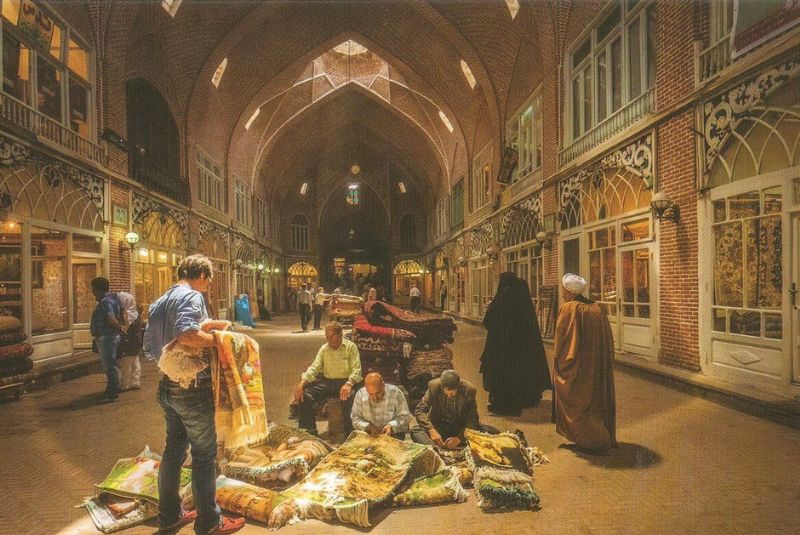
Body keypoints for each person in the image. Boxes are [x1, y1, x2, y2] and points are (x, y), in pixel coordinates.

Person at [143, 254, 244, 534]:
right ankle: (209, 522)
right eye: (209, 279)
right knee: (203, 454)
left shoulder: (160, 299)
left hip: (167, 384)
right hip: (193, 388)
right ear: (201, 275)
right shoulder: (192, 296)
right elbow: (187, 335)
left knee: (173, 451)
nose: (208, 286)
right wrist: (223, 340)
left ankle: (170, 515)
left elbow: (151, 346)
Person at [553, 273, 617, 453]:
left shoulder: (569, 308)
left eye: (564, 290)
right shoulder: (596, 308)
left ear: (569, 291)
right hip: (596, 365)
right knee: (595, 398)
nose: (563, 293)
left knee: (578, 396)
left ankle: (584, 439)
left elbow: (563, 342)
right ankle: (599, 437)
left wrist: (560, 363)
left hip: (579, 366)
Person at [480, 272, 551, 416]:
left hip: (500, 348)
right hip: (520, 349)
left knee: (503, 376)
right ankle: (524, 398)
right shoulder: (522, 301)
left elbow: (488, 322)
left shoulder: (501, 300)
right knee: (518, 373)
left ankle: (503, 402)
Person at [294, 321, 362, 436]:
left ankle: (349, 433)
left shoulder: (351, 347)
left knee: (349, 398)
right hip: (328, 382)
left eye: (331, 336)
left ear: (340, 335)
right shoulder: (324, 349)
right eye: (327, 336)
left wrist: (349, 384)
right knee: (305, 394)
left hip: (345, 382)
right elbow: (314, 367)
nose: (328, 339)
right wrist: (301, 384)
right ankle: (310, 431)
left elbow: (357, 370)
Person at [411, 369, 480, 449]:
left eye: (452, 392)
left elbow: (473, 419)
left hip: (458, 427)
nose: (449, 395)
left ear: (458, 386)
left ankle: (452, 443)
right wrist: (431, 430)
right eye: (447, 392)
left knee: (489, 431)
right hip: (439, 426)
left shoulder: (469, 390)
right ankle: (433, 448)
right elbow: (420, 410)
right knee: (415, 430)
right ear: (442, 386)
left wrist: (459, 438)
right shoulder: (434, 386)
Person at [90, 278, 126, 404]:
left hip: (107, 337)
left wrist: (119, 329)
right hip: (110, 336)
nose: (92, 291)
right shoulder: (113, 299)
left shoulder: (106, 302)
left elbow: (111, 319)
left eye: (93, 288)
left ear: (97, 289)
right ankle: (112, 388)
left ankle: (112, 392)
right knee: (112, 365)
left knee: (109, 366)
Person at [350, 372, 411, 440]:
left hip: (393, 434)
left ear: (383, 385)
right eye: (371, 394)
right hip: (368, 434)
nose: (375, 398)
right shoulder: (360, 394)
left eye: (378, 393)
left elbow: (405, 417)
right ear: (366, 388)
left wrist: (391, 426)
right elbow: (355, 418)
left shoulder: (395, 393)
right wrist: (368, 426)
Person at [116, 291, 142, 392]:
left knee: (126, 362)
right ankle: (135, 382)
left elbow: (126, 327)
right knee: (135, 360)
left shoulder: (128, 314)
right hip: (136, 340)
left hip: (130, 340)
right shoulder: (135, 312)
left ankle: (124, 384)